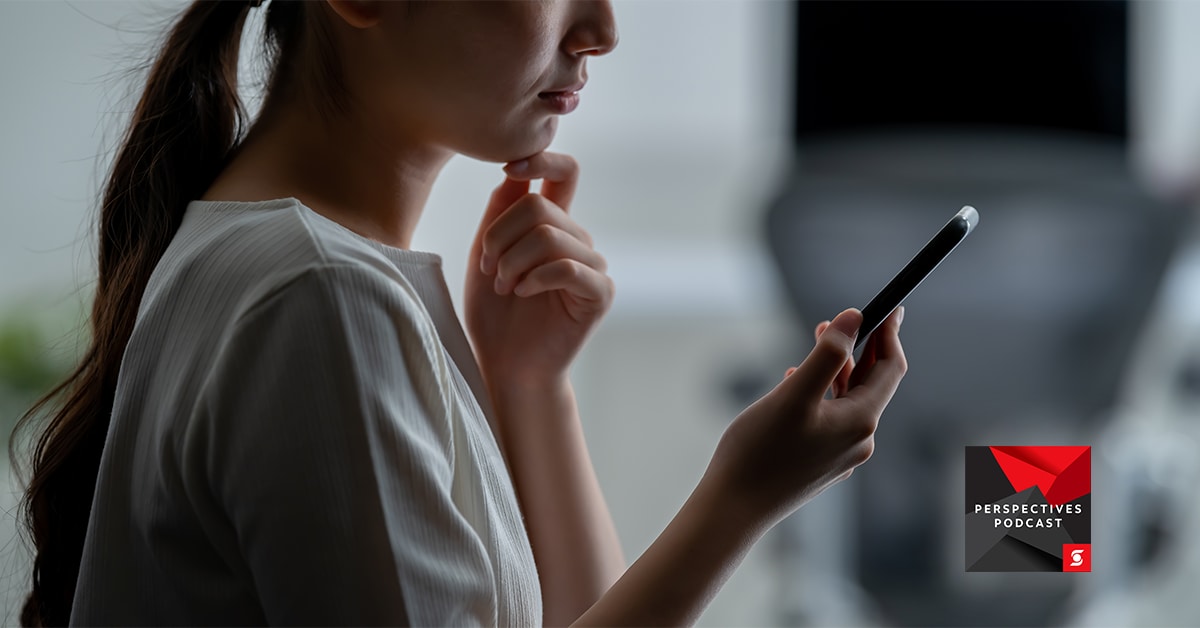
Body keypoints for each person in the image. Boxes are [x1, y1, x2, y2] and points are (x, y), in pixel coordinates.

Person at [12, 0, 907, 625]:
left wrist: (529, 381)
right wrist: (743, 497)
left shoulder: (270, 260)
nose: (603, 30)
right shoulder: (320, 299)